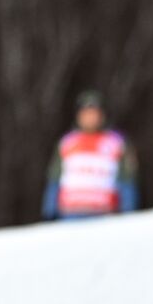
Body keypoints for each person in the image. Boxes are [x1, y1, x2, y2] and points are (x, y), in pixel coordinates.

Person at [42, 90, 139, 220]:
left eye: (94, 113)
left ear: (102, 115)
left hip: (105, 213)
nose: (90, 117)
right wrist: (49, 211)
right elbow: (54, 178)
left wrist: (128, 211)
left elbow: (126, 179)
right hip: (70, 213)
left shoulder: (116, 142)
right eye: (85, 113)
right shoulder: (67, 142)